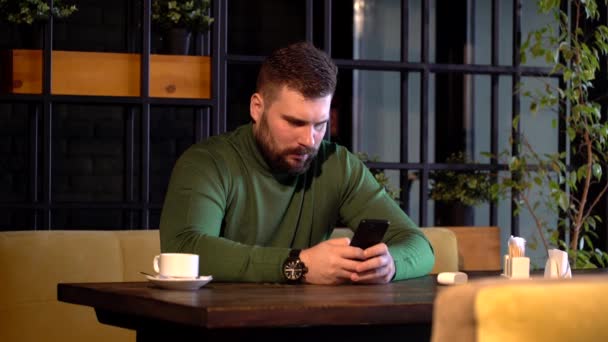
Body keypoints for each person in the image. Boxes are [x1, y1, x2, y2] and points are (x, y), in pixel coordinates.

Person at [159, 41, 435, 285]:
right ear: (258, 108)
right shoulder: (207, 163)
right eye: (294, 122)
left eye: (320, 125)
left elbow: (418, 246)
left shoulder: (336, 165)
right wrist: (298, 265)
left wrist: (389, 265)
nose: (309, 140)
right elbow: (185, 249)